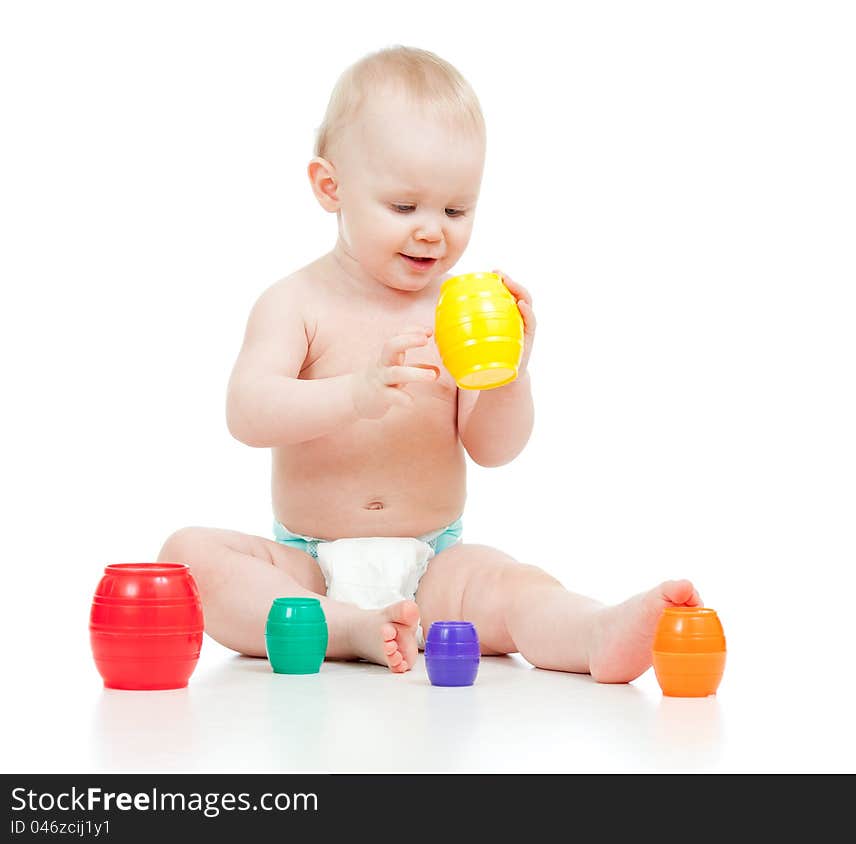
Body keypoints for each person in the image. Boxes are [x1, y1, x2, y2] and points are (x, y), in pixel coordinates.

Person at [158, 45, 701, 681]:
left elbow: (493, 448)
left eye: (455, 210)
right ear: (330, 188)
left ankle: (592, 630)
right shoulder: (296, 302)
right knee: (189, 557)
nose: (432, 231)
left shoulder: (460, 314)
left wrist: (509, 375)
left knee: (510, 585)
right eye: (403, 206)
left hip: (433, 564)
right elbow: (247, 412)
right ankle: (349, 627)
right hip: (306, 568)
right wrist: (351, 396)